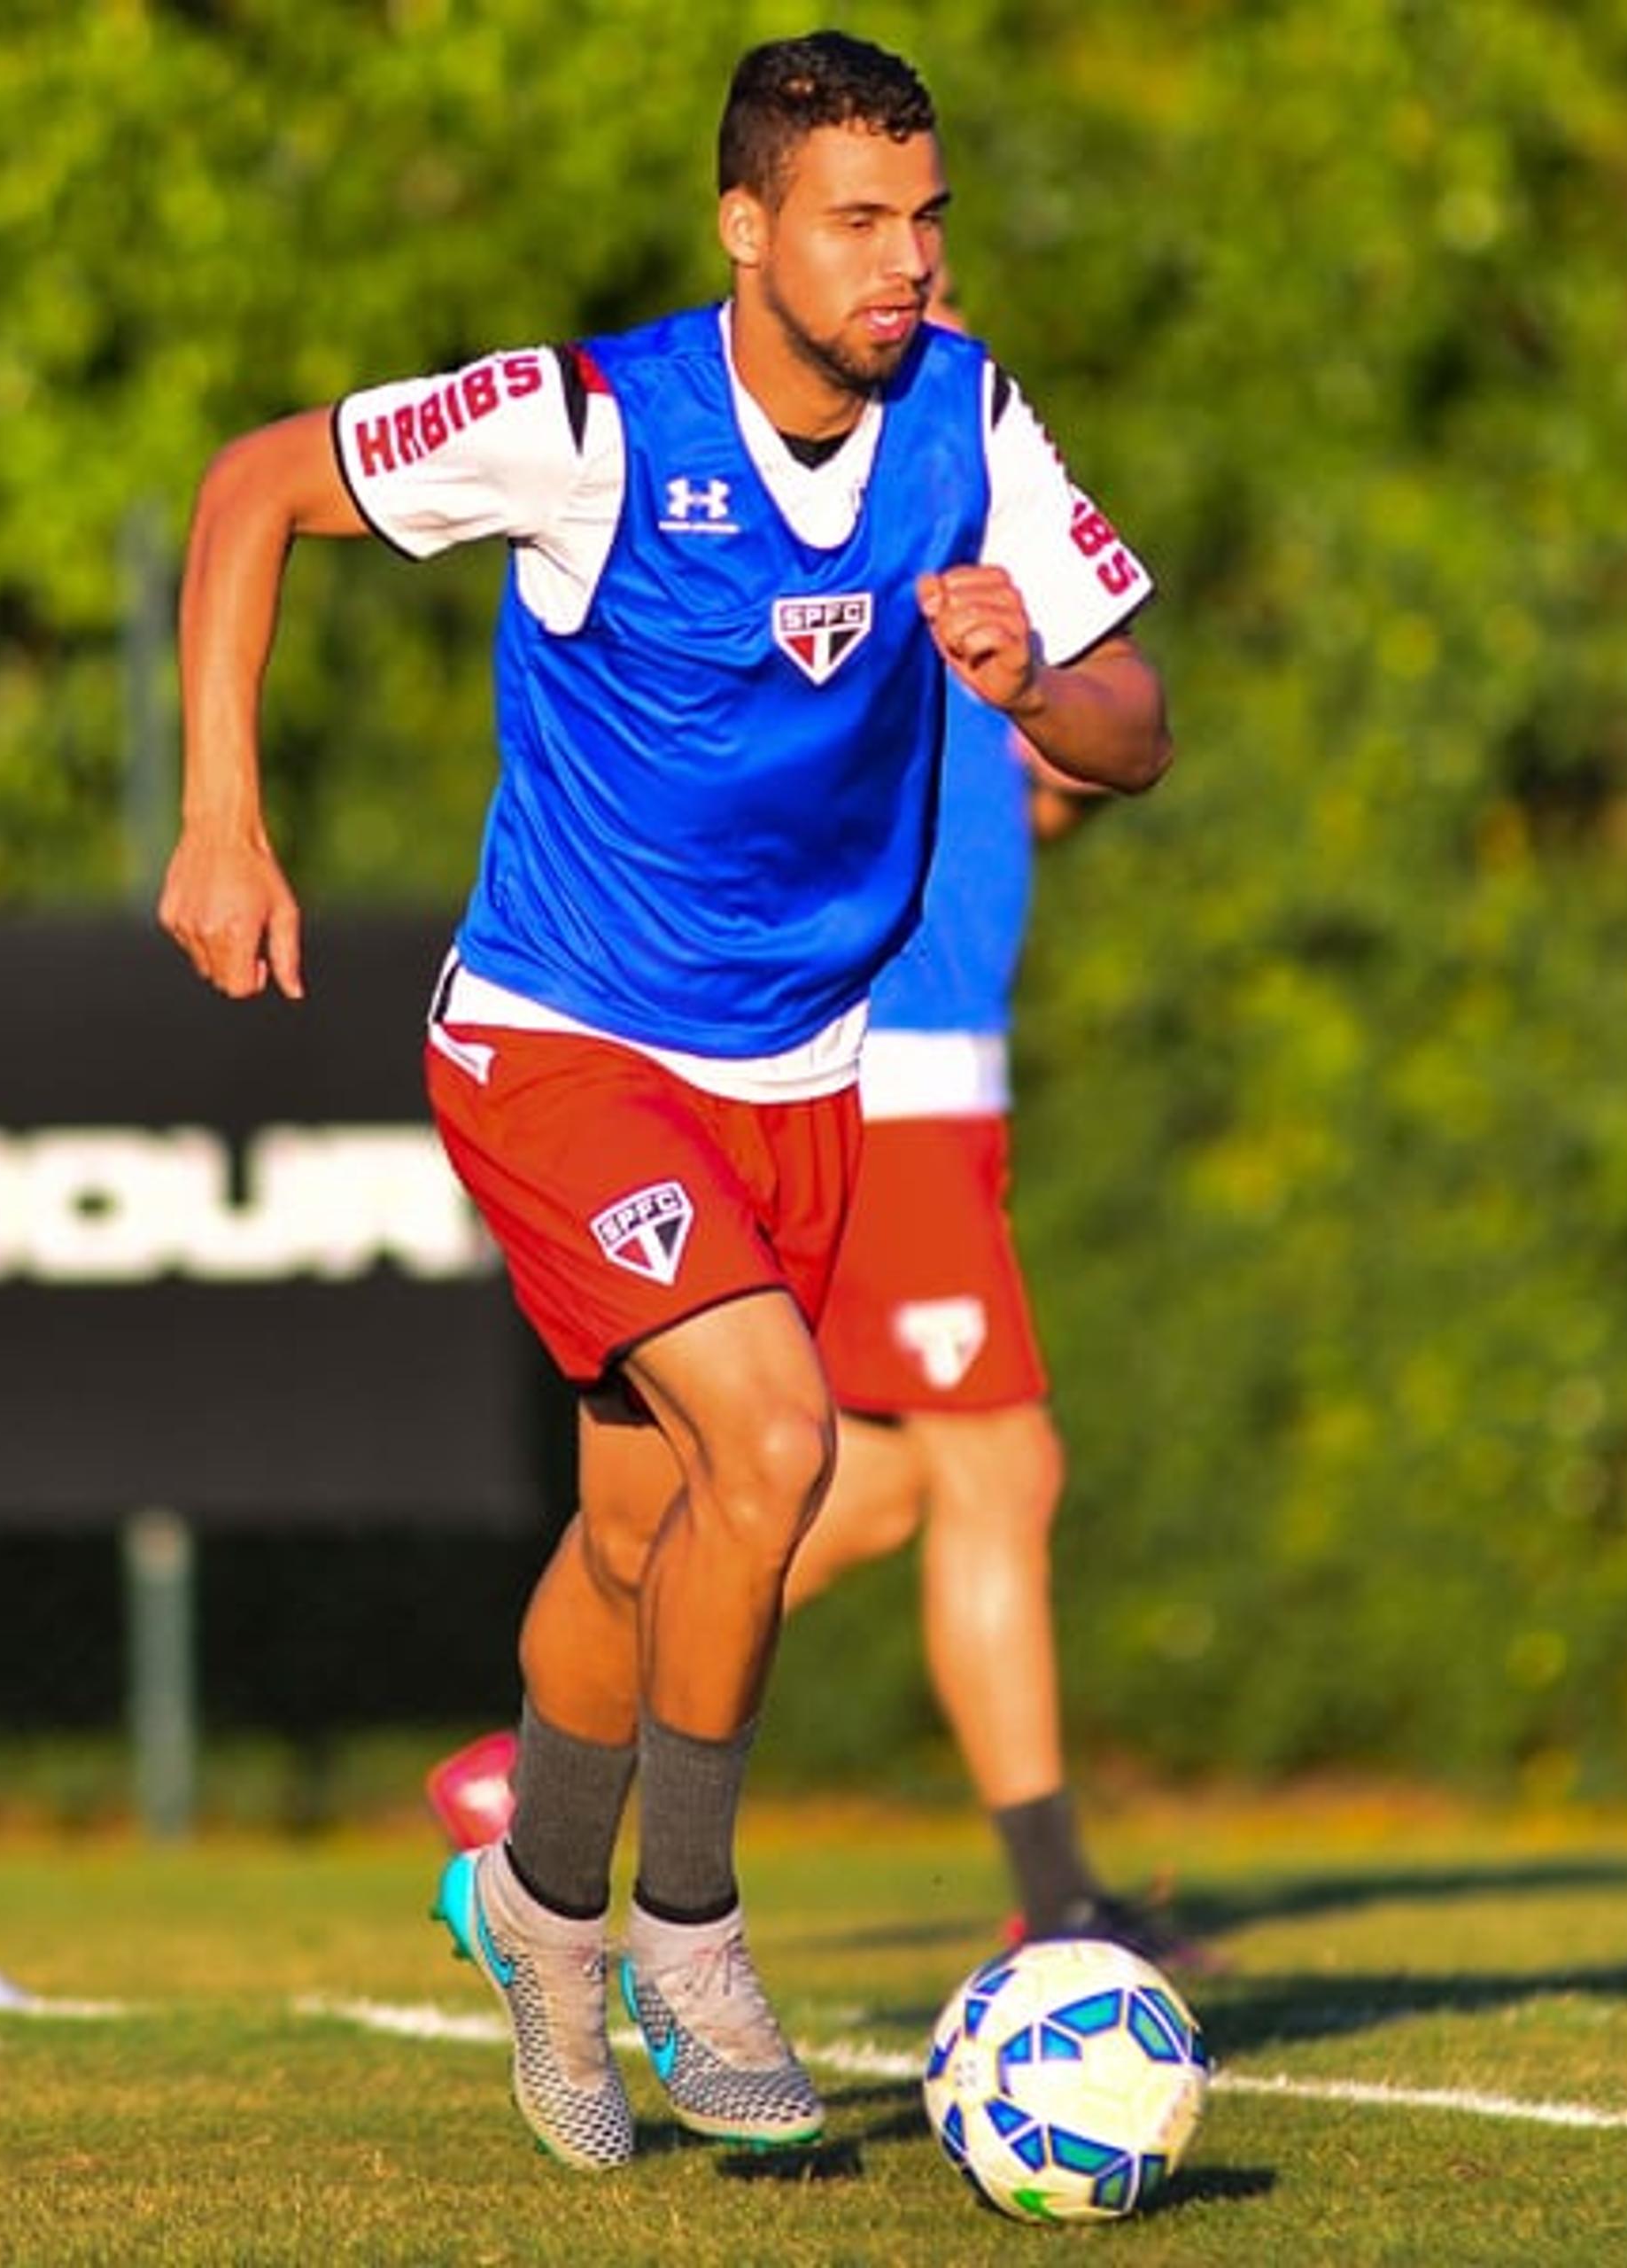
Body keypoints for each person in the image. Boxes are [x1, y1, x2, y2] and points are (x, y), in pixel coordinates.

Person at [159, 33, 1172, 2173]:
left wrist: (1034, 685)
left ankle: (532, 1906)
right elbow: (255, 483)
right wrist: (223, 821)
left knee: (638, 1539)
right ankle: (684, 1930)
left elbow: (1136, 716)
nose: (906, 262)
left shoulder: (968, 417)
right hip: (558, 1039)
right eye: (857, 222)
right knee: (783, 1441)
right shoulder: (584, 420)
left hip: (799, 1063)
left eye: (927, 218)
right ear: (748, 229)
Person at [429, 271, 1185, 1963]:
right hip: (872, 1055)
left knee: (835, 1486)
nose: (906, 309)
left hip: (917, 1069)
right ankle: (1056, 1903)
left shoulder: (965, 477)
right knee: (995, 1469)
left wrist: (1038, 698)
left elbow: (1085, 749)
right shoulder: (810, 500)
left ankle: (543, 1767)